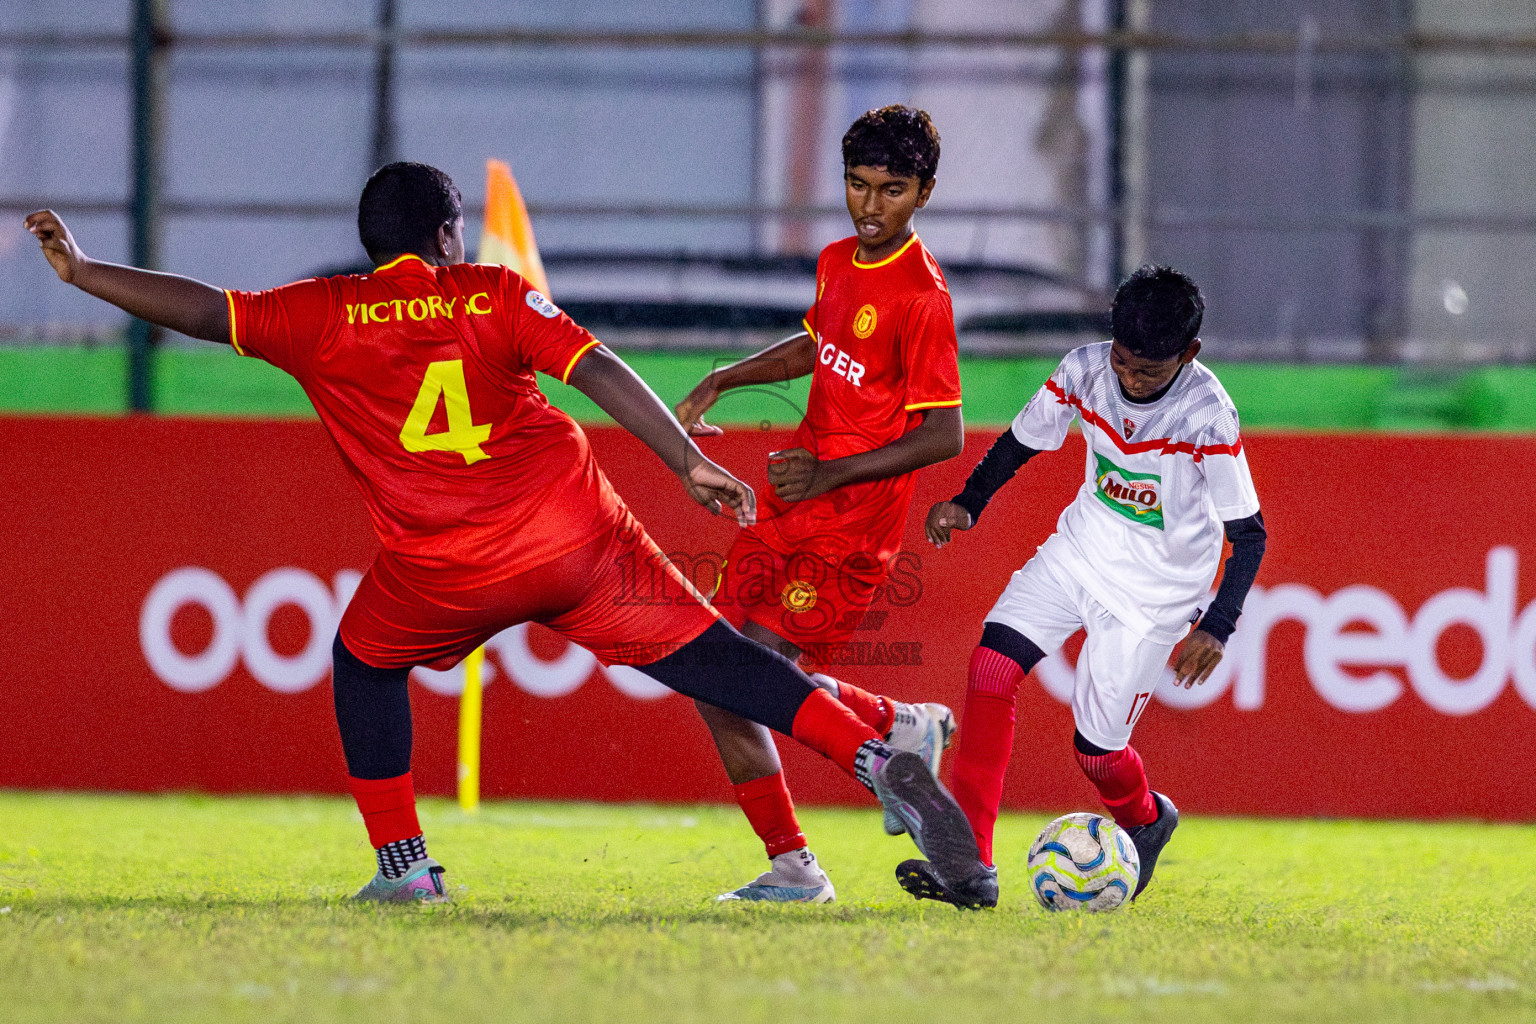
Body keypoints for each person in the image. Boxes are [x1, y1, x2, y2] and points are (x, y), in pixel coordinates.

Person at [24, 161, 990, 904]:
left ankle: (404, 867)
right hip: (576, 538)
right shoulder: (489, 291)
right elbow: (597, 367)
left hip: (439, 569)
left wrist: (84, 272)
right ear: (447, 235)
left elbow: (200, 309)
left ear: (372, 245)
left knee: (362, 663)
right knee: (715, 660)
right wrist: (684, 460)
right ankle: (874, 757)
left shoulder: (318, 313)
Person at [672, 105, 966, 903]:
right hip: (791, 504)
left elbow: (945, 434)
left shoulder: (923, 296)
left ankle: (796, 866)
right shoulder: (839, 259)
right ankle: (896, 728)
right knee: (717, 675)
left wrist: (832, 476)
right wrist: (724, 377)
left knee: (744, 681)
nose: (871, 208)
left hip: (850, 529)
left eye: (892, 191)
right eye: (858, 185)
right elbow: (818, 343)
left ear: (925, 194)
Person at [904, 265, 1266, 908]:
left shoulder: (1209, 416)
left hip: (1156, 596)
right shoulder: (1085, 370)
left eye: (1148, 371)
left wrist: (1217, 624)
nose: (1128, 379)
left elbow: (1251, 532)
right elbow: (1024, 440)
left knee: (1098, 751)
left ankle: (1148, 820)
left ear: (1190, 354)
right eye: (1123, 362)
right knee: (991, 668)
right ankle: (969, 867)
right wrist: (969, 501)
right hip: (1079, 551)